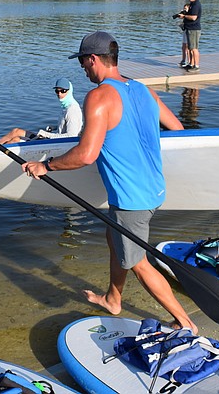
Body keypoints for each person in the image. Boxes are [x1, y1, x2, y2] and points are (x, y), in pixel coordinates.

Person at [22, 31, 198, 333]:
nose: (82, 69)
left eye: (82, 62)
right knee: (112, 237)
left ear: (93, 59)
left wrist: (45, 166)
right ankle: (113, 299)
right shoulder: (143, 90)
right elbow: (177, 128)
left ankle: (185, 323)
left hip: (132, 199)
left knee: (139, 263)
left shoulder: (98, 96)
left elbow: (86, 155)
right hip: (154, 187)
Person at [0, 78, 84, 145]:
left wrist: (47, 135)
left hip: (55, 144)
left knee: (16, 140)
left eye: (63, 91)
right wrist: (53, 128)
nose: (59, 94)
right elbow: (64, 127)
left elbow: (71, 136)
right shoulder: (65, 106)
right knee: (16, 131)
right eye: (57, 91)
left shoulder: (72, 110)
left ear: (69, 91)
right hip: (53, 139)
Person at [175, 0, 202, 71]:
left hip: (194, 29)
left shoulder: (196, 5)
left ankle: (196, 66)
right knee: (190, 48)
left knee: (194, 48)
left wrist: (184, 16)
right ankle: (191, 64)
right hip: (189, 28)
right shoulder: (192, 4)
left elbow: (194, 17)